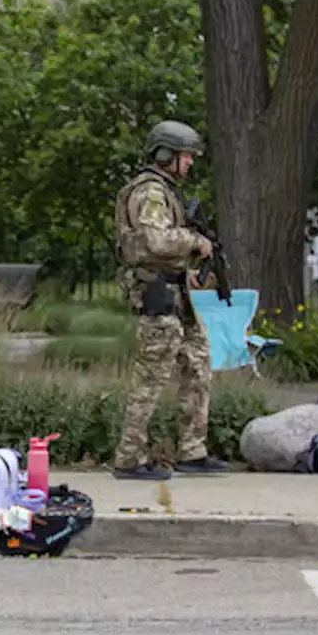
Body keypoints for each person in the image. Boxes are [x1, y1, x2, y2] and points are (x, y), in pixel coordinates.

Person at [111, 119, 229, 481]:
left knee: (198, 364)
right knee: (152, 376)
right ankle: (129, 458)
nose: (190, 163)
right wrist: (196, 242)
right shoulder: (150, 192)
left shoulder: (166, 191)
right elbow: (156, 241)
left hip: (176, 292)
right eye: (185, 156)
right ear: (165, 154)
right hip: (157, 295)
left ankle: (192, 450)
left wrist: (188, 271)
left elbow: (163, 250)